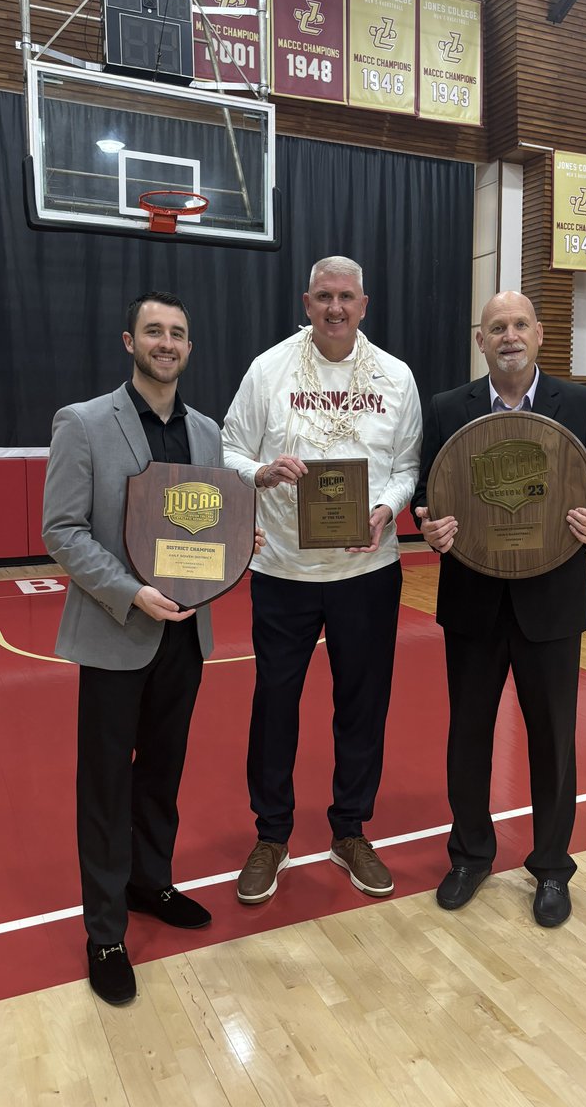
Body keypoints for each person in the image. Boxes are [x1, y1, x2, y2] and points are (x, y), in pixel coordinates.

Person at [43, 291, 258, 1007]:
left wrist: (237, 546)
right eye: (154, 332)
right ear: (129, 342)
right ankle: (104, 931)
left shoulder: (206, 431)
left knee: (162, 772)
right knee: (105, 786)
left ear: (189, 350)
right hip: (116, 630)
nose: (167, 342)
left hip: (184, 634)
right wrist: (130, 593)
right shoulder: (82, 424)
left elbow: (204, 527)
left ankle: (149, 881)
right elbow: (64, 532)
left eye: (179, 334)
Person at [412, 290, 586, 926]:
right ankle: (471, 854)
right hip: (473, 602)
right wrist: (428, 525)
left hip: (551, 604)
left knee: (555, 740)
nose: (509, 335)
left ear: (538, 336)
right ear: (481, 341)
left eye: (519, 325)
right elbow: (429, 492)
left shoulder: (582, 404)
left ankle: (553, 867)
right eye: (496, 326)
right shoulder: (450, 407)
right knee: (469, 736)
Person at [221, 256, 422, 904]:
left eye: (347, 297)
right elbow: (227, 446)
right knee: (275, 704)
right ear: (307, 303)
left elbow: (407, 464)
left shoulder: (395, 376)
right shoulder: (268, 369)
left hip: (368, 569)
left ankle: (350, 831)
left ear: (366, 304)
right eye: (324, 297)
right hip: (282, 569)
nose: (336, 308)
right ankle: (272, 835)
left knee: (361, 706)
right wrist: (259, 473)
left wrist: (390, 506)